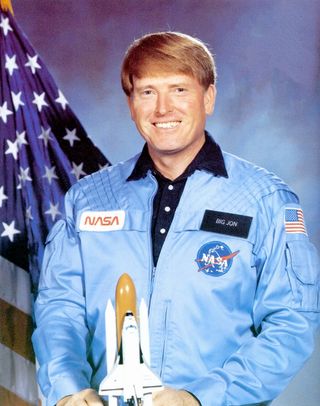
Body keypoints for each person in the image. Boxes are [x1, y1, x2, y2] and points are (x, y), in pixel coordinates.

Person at [32, 32, 319, 406]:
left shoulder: (264, 201)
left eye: (179, 90)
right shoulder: (87, 201)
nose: (162, 109)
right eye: (147, 92)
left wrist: (198, 397)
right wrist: (69, 388)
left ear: (209, 97)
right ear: (131, 103)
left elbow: (291, 324)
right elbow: (59, 307)